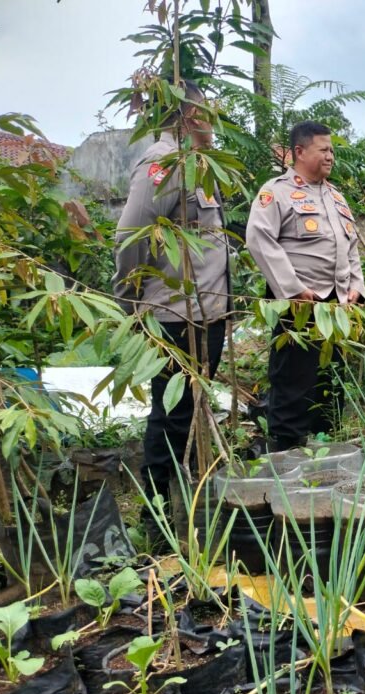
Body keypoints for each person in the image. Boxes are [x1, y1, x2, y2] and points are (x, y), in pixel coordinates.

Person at [112, 80, 229, 521]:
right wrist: (131, 300)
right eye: (208, 113)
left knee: (191, 411)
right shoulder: (161, 162)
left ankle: (190, 506)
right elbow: (132, 235)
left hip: (208, 312)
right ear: (191, 114)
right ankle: (156, 513)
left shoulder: (200, 164)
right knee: (172, 414)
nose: (215, 122)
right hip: (175, 313)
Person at [246, 121, 365, 450]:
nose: (330, 156)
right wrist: (293, 288)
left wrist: (356, 286)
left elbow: (351, 247)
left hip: (336, 309)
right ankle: (286, 453)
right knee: (292, 383)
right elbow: (258, 238)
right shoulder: (277, 192)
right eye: (323, 149)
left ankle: (326, 450)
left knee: (329, 385)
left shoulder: (336, 197)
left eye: (332, 150)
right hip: (298, 307)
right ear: (299, 152)